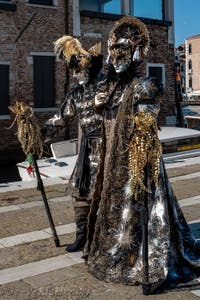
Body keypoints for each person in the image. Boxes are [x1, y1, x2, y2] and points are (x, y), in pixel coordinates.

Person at [83, 16, 200, 294]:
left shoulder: (144, 86)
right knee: (113, 209)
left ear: (136, 54)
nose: (117, 59)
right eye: (114, 53)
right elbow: (94, 124)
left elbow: (147, 125)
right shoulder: (110, 89)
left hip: (138, 162)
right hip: (112, 163)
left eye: (123, 53)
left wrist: (142, 134)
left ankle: (144, 259)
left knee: (141, 206)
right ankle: (119, 251)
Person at [44, 35, 103, 252]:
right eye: (74, 70)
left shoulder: (106, 87)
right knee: (80, 191)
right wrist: (38, 133)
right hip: (86, 150)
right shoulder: (76, 94)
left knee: (104, 193)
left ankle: (102, 238)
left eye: (80, 69)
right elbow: (61, 118)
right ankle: (82, 236)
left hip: (107, 148)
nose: (77, 74)